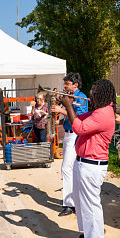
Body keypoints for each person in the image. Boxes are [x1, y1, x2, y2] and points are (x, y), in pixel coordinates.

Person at [61, 79, 116, 238]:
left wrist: (69, 105)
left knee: (91, 204)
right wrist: (70, 106)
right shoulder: (98, 110)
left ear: (102, 95)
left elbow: (79, 128)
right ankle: (90, 233)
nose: (90, 95)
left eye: (94, 92)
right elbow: (79, 118)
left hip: (92, 165)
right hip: (83, 162)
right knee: (81, 201)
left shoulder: (104, 113)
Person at [51, 73, 88, 216]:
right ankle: (73, 201)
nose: (65, 87)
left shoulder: (81, 97)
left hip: (75, 135)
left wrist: (62, 110)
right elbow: (69, 117)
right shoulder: (68, 96)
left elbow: (79, 117)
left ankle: (69, 204)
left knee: (66, 168)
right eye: (65, 84)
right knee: (71, 169)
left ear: (76, 85)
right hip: (68, 134)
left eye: (67, 84)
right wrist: (59, 120)